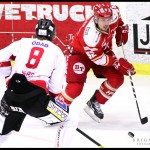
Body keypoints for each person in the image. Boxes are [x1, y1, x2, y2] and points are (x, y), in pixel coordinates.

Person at [0, 19, 78, 147]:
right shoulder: (57, 51)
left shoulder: (22, 43)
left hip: (10, 98)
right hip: (36, 102)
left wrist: (9, 77)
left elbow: (1, 57)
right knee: (71, 119)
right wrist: (51, 102)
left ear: (36, 31)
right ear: (53, 35)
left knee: (4, 131)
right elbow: (55, 88)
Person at [55, 3, 136, 123]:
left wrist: (121, 29)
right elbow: (98, 59)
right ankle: (55, 109)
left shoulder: (114, 14)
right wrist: (116, 63)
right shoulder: (90, 36)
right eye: (103, 19)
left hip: (102, 52)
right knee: (75, 87)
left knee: (117, 78)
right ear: (96, 18)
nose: (106, 22)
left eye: (108, 18)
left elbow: (118, 19)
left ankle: (95, 102)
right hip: (80, 55)